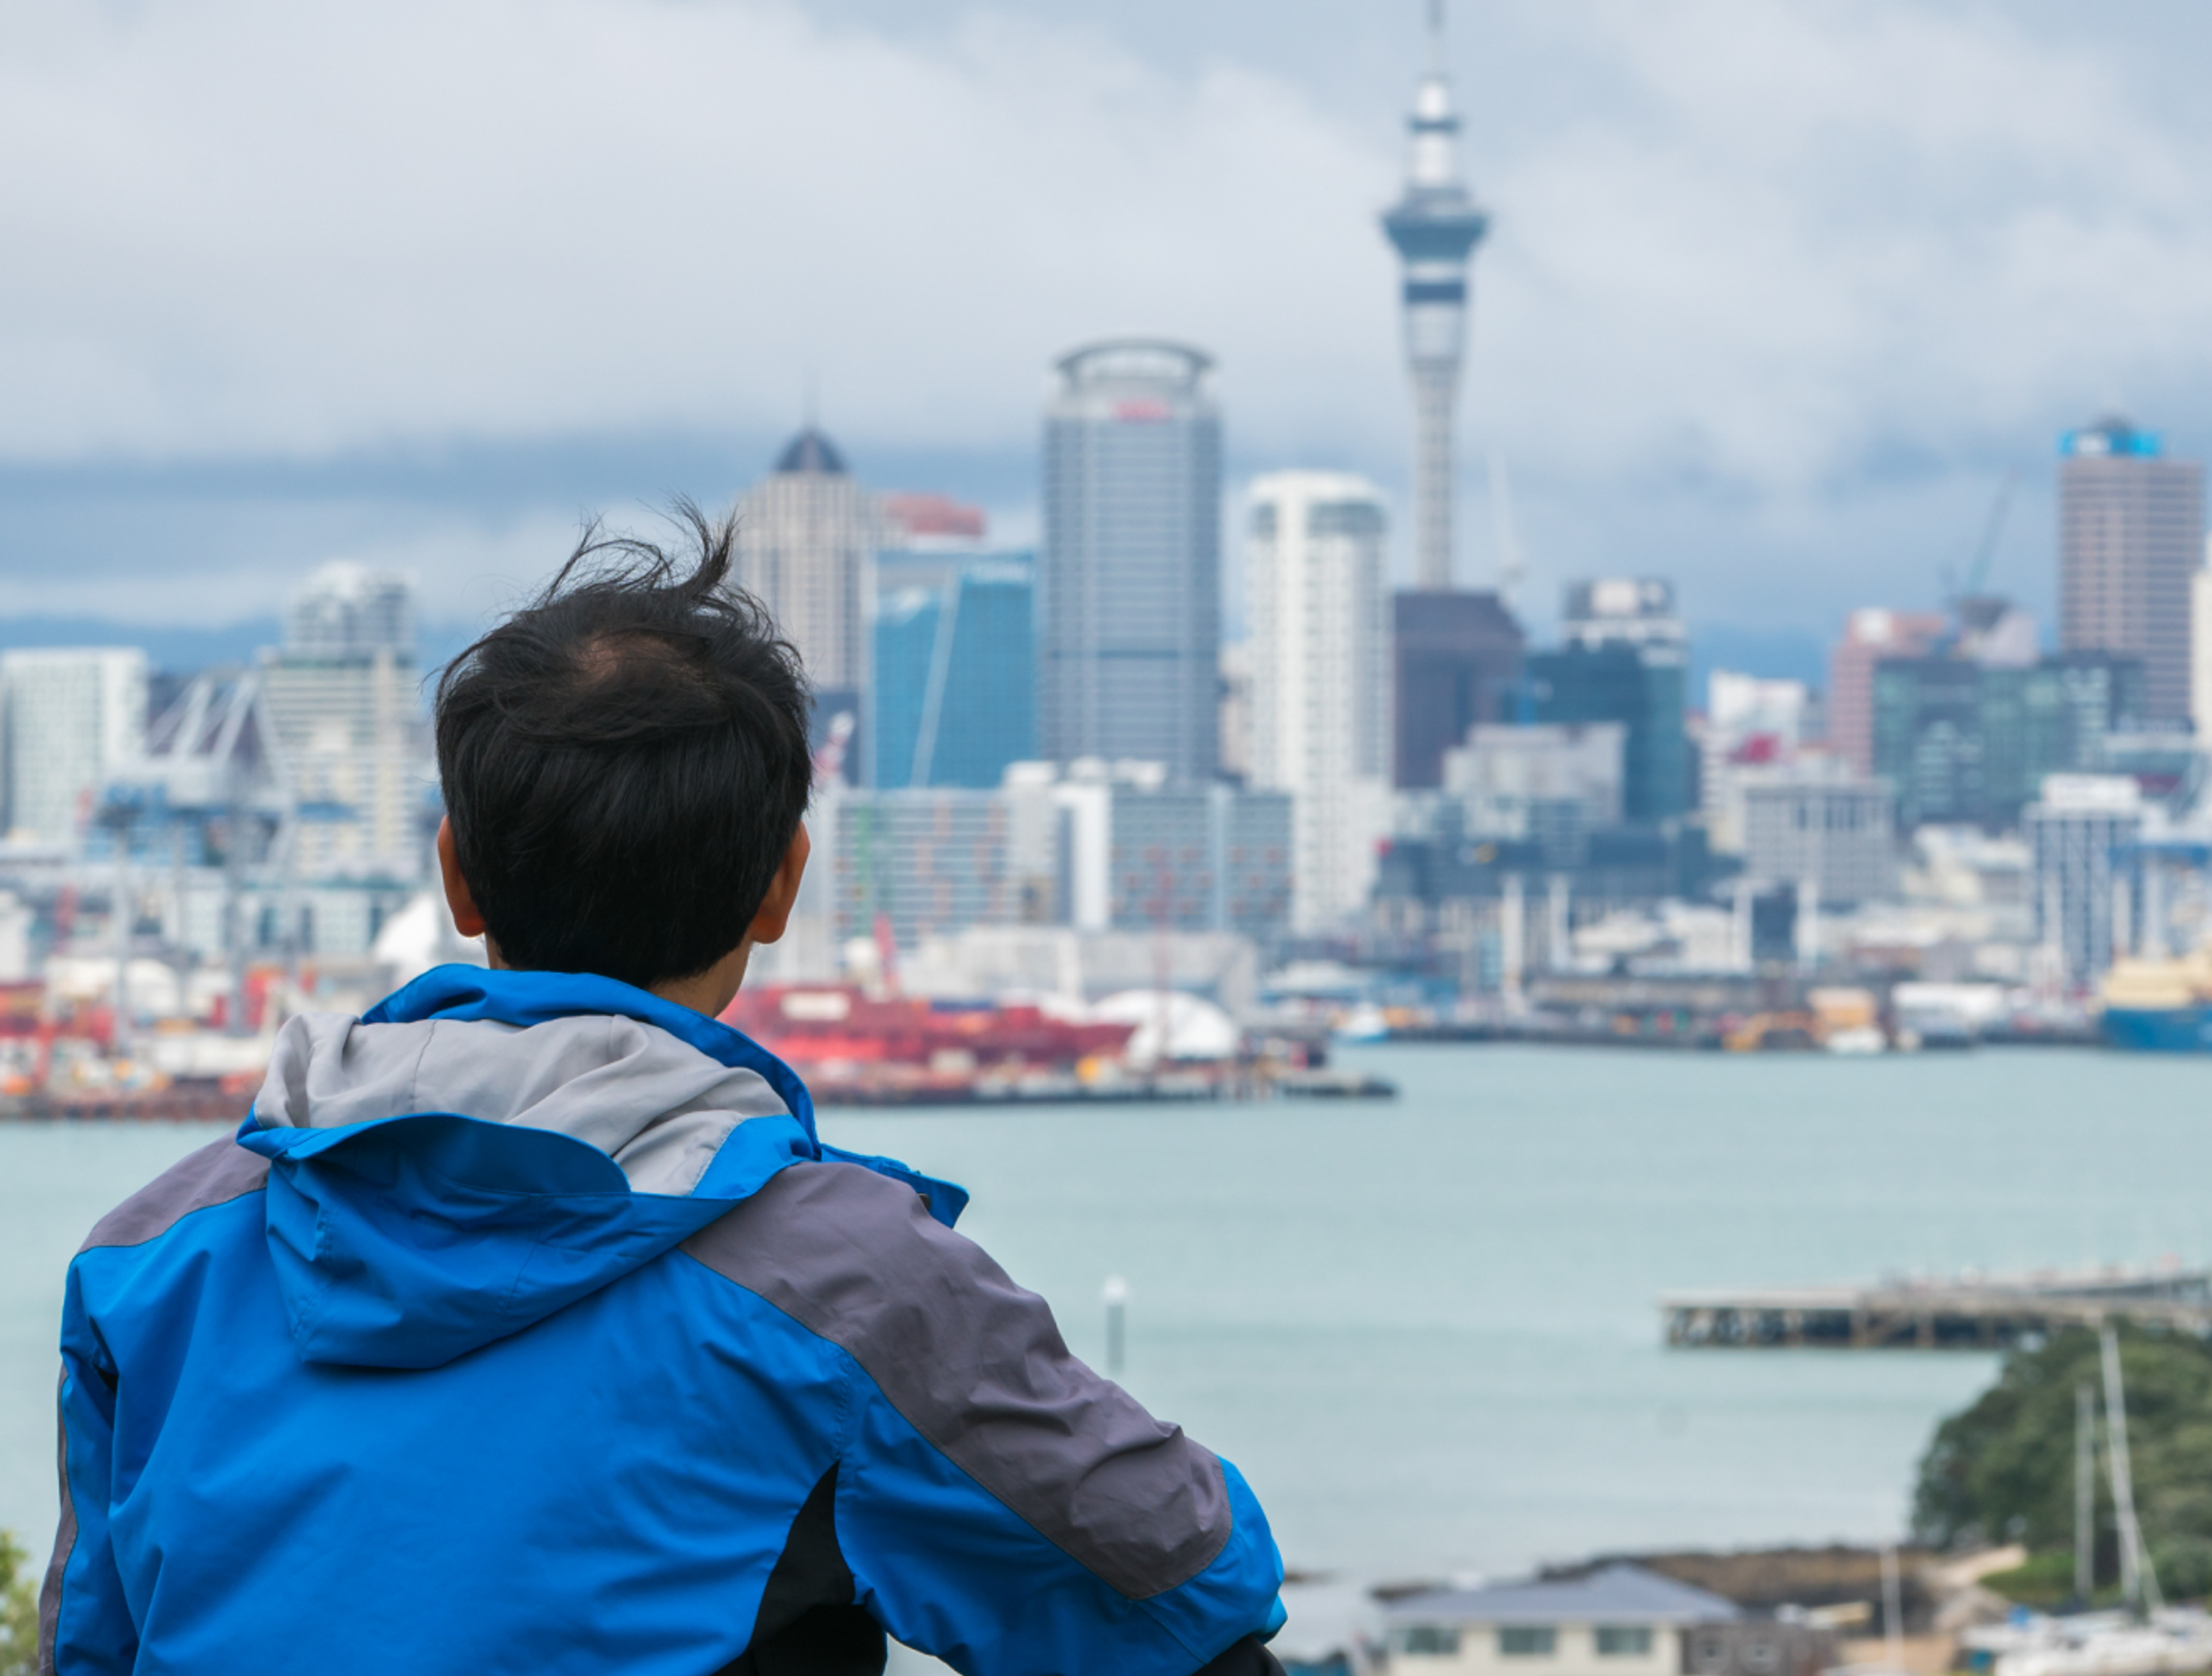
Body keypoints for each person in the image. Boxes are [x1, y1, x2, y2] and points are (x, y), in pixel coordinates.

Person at [38, 514, 1287, 1676]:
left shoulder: (149, 1259)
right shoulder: (844, 1282)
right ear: (780, 886)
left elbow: (90, 1645)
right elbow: (1183, 1590)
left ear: (457, 878)